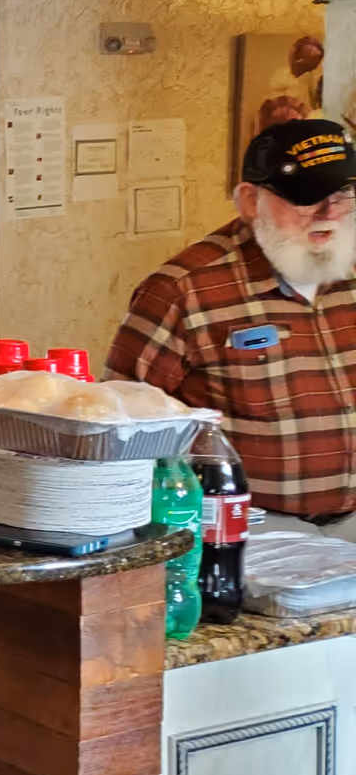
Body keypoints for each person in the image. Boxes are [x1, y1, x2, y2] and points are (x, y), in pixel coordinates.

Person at [107, 117, 356, 535]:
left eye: (344, 194)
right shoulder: (183, 291)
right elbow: (121, 425)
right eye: (307, 200)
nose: (329, 213)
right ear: (249, 200)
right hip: (248, 525)